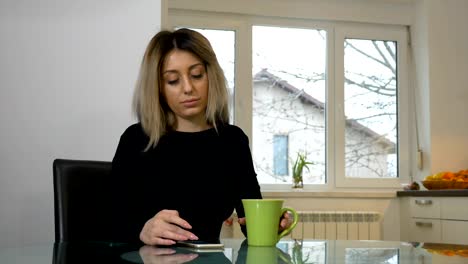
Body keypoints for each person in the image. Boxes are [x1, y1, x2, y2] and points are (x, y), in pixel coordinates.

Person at [110, 28, 291, 246]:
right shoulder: (136, 139)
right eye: (173, 80)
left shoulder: (233, 141)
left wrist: (270, 225)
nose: (188, 88)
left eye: (196, 75)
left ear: (210, 76)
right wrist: (143, 229)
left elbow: (249, 220)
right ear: (158, 87)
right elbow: (111, 221)